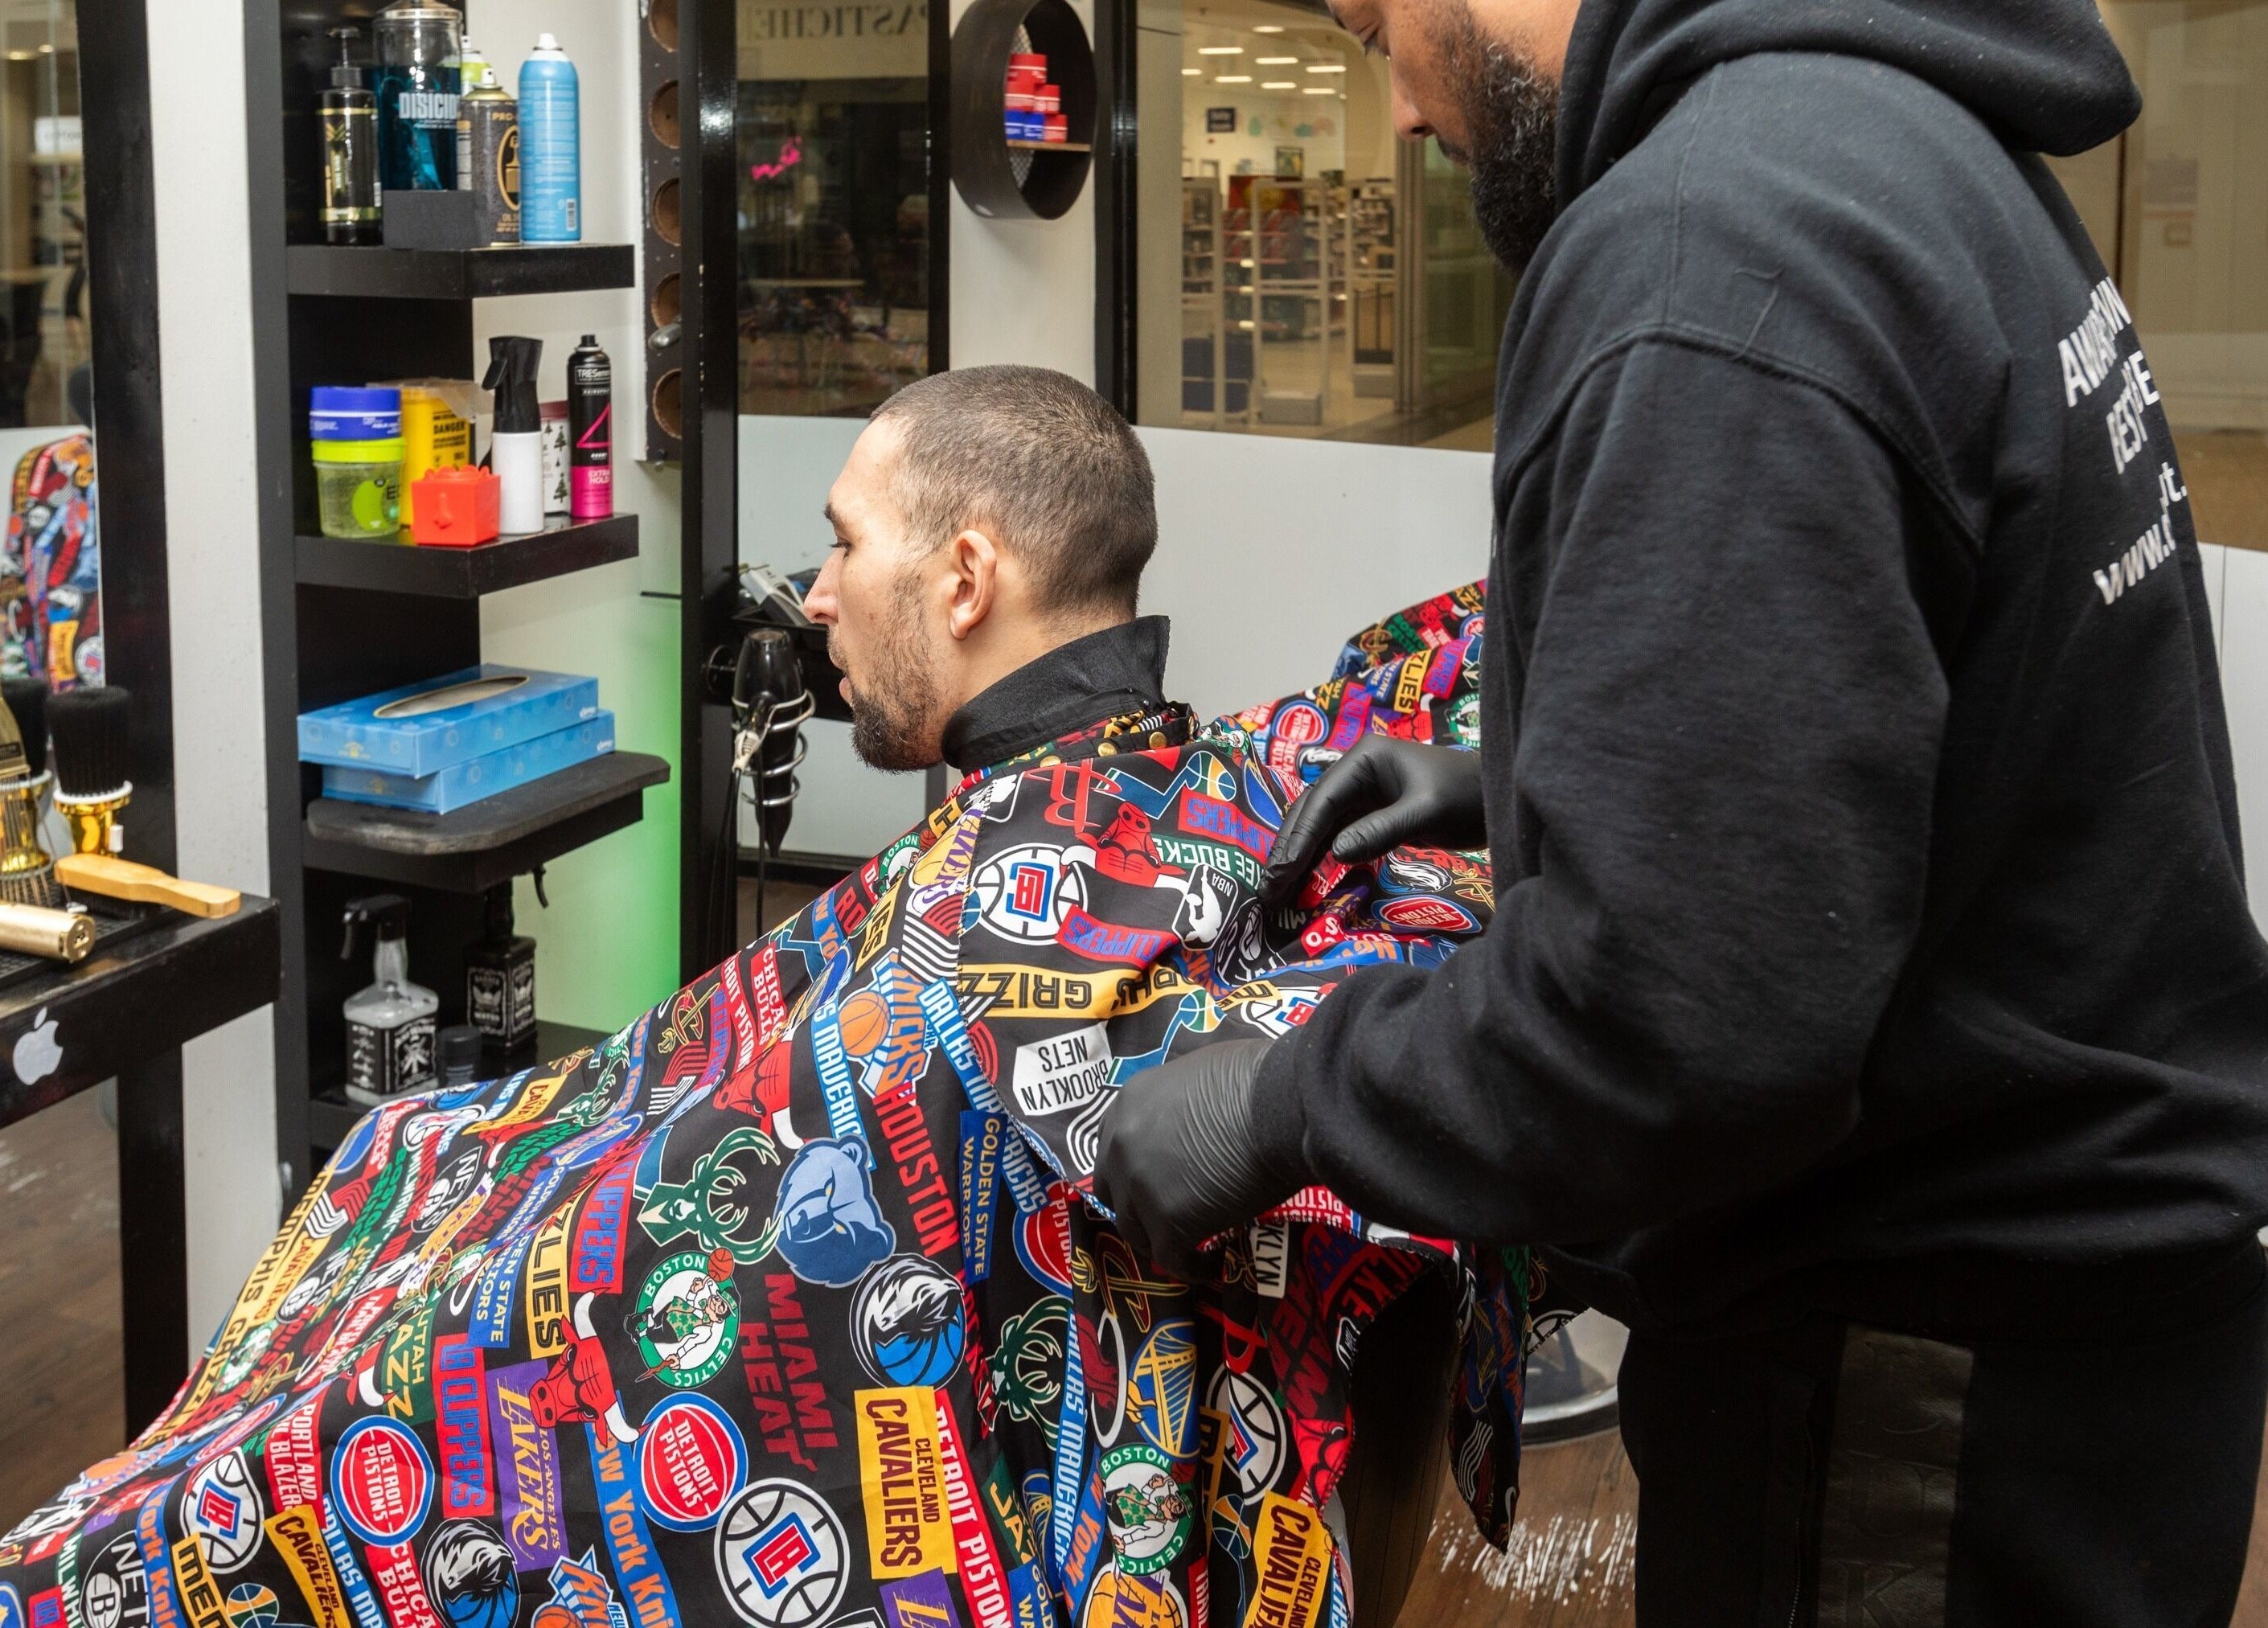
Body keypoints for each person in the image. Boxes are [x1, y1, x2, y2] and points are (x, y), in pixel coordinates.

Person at [1095, 1, 2268, 1622]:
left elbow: (1675, 1030)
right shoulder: (1889, 151)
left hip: (1920, 1387)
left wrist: (1283, 1103)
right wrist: (1524, 793)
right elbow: (1930, 707)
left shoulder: (1718, 247)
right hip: (2088, 1341)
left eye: (1377, 33)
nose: (1405, 112)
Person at [0, 367, 1506, 1628]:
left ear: (966, 578)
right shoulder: (1224, 783)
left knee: (345, 1368)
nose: (818, 593)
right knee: (422, 1157)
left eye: (847, 546)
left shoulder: (970, 973)